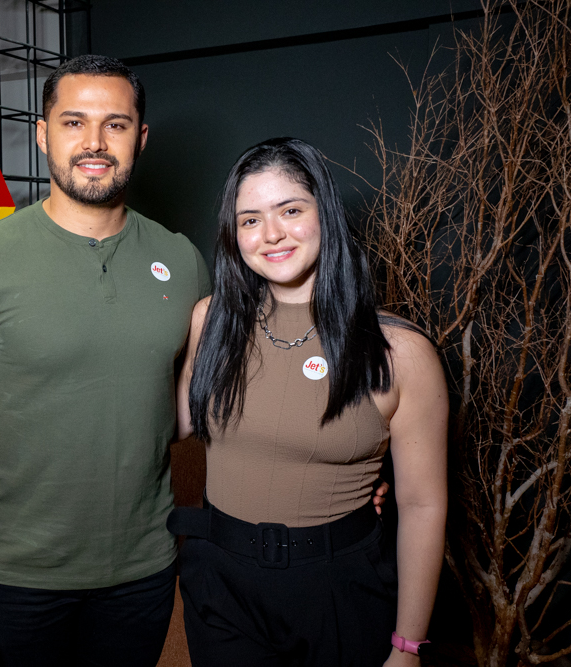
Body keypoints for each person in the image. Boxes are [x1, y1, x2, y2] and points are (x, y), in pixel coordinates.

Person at [0, 55, 212, 667]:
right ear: (44, 134)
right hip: (16, 579)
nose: (94, 142)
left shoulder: (182, 262)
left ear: (140, 138)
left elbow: (184, 415)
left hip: (144, 571)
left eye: (115, 124)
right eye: (74, 122)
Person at [173, 137, 448, 667]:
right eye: (250, 219)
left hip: (338, 589)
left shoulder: (400, 353)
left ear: (326, 214)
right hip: (220, 582)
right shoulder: (210, 321)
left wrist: (408, 646)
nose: (271, 234)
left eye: (291, 210)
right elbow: (173, 422)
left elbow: (422, 505)